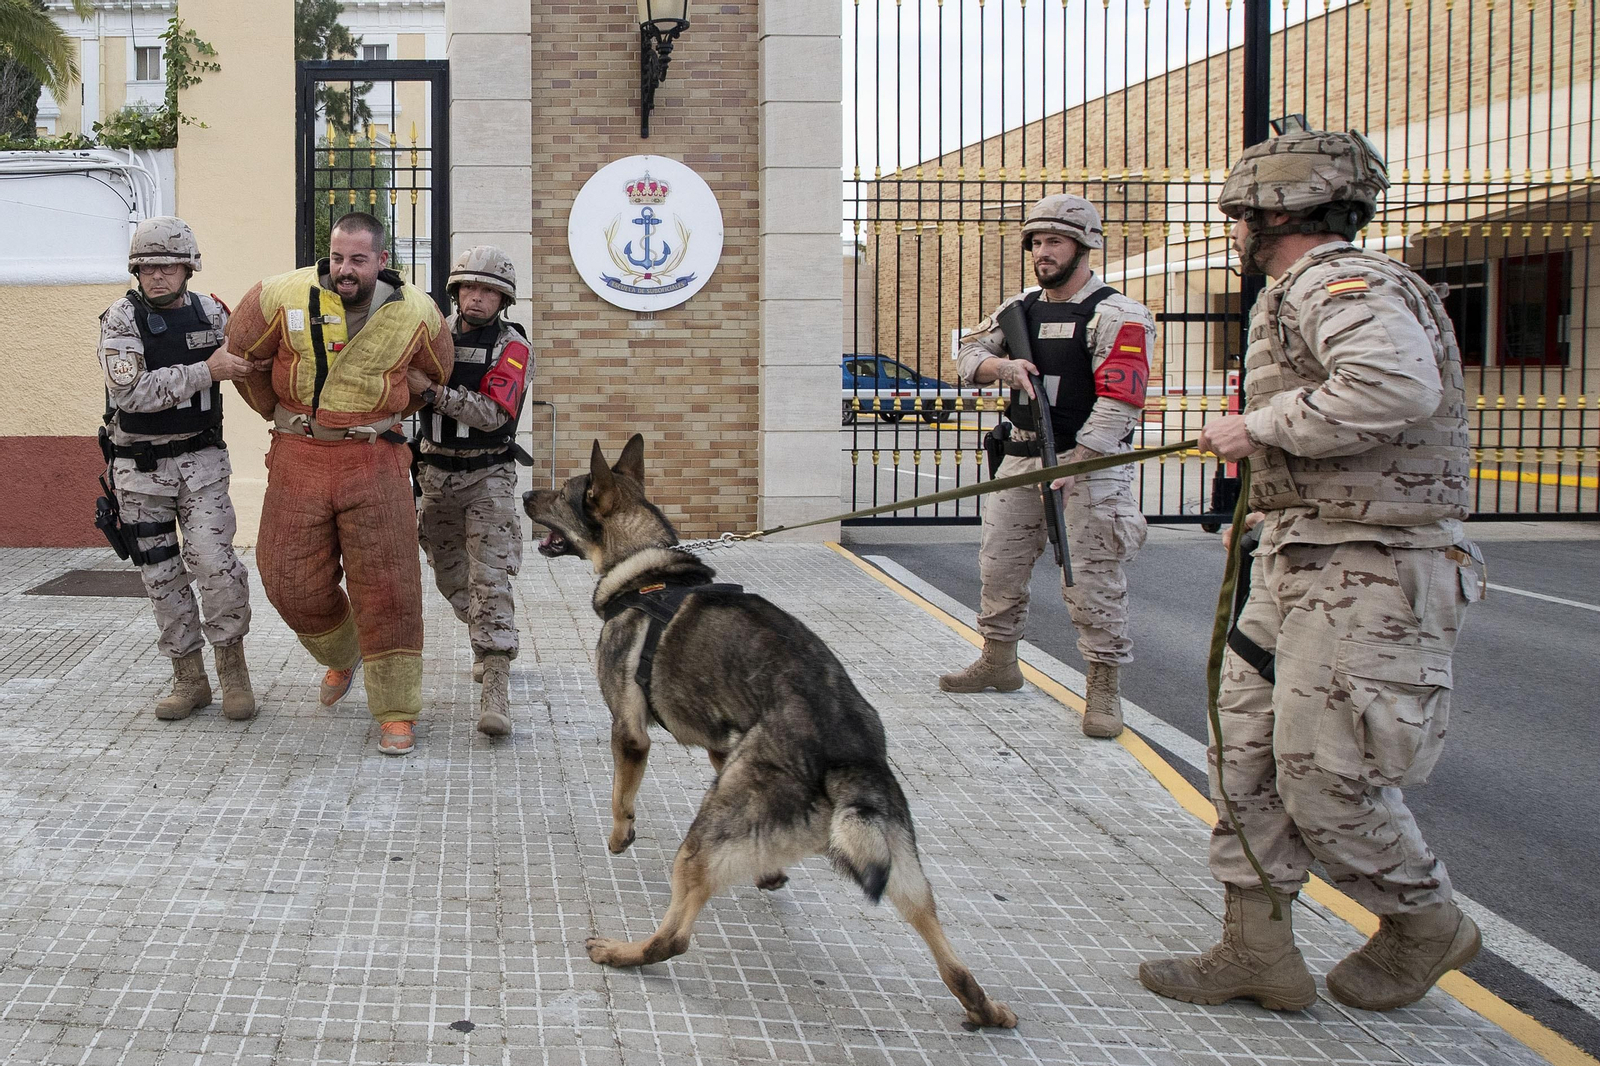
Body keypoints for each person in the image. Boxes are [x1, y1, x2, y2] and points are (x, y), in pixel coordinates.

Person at [1138, 129, 1484, 1012]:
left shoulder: (1341, 283)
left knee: (1326, 773)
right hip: (1304, 553)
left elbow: (1394, 386)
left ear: (1275, 213)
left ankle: (1424, 920)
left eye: (1240, 215)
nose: (1234, 230)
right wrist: (1272, 509)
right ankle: (1255, 949)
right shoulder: (1297, 292)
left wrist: (1258, 427)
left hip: (1376, 568)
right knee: (1244, 755)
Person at [225, 212, 453, 756]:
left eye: (357, 259)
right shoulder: (278, 295)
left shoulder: (419, 312)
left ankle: (396, 710)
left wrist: (380, 417)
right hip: (298, 456)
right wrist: (283, 416)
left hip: (375, 460)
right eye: (337, 257)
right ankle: (345, 653)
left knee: (389, 586)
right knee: (286, 579)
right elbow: (243, 358)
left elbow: (434, 376)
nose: (344, 269)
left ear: (382, 260)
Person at [940, 194, 1153, 739]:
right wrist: (1001, 367)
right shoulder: (1021, 307)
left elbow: (1121, 401)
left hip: (1090, 466)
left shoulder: (1119, 314)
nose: (1042, 252)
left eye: (1054, 241)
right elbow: (965, 353)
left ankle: (1103, 688)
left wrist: (1078, 463)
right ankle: (998, 661)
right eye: (1035, 242)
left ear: (1084, 246)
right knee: (999, 566)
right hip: (1022, 457)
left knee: (1091, 578)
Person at [98, 216, 258, 721]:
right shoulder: (121, 319)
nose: (157, 275)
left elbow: (253, 358)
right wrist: (208, 370)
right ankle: (189, 679)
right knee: (161, 576)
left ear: (188, 267)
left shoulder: (212, 313)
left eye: (167, 266)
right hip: (140, 473)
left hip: (202, 465)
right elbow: (132, 393)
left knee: (215, 565)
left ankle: (233, 672)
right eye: (147, 267)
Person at [413, 246, 533, 738]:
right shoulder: (433, 335)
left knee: (490, 578)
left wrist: (432, 393)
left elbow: (493, 413)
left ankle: (495, 679)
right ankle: (489, 631)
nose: (476, 297)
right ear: (456, 291)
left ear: (503, 299)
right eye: (468, 287)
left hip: (488, 476)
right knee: (448, 573)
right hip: (436, 475)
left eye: (487, 290)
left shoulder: (513, 346)